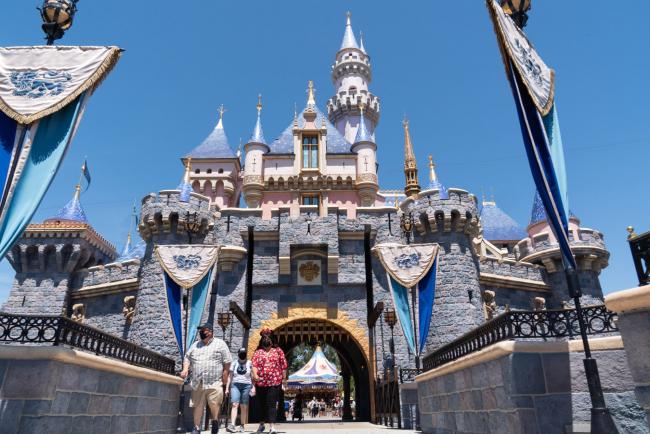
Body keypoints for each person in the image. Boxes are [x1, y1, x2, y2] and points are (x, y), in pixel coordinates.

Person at [180, 322, 232, 434]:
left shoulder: (220, 344)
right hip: (197, 382)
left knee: (214, 404)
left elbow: (227, 363)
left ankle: (215, 422)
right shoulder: (195, 345)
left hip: (214, 381)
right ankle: (196, 428)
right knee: (197, 405)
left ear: (210, 331)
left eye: (203, 330)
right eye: (200, 331)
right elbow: (187, 358)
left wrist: (224, 379)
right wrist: (185, 369)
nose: (201, 332)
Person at [252, 327, 287, 434]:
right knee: (262, 404)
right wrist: (255, 375)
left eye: (268, 337)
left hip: (274, 381)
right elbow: (254, 365)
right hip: (261, 382)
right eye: (264, 337)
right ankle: (262, 424)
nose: (266, 339)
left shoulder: (278, 351)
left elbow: (283, 365)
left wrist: (284, 380)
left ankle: (272, 426)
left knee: (272, 403)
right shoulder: (258, 352)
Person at [225, 347, 253, 433]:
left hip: (246, 385)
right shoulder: (234, 363)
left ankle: (242, 425)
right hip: (235, 384)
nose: (242, 354)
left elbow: (252, 375)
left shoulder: (249, 363)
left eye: (244, 353)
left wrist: (253, 386)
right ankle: (232, 425)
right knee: (234, 404)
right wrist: (227, 388)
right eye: (241, 353)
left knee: (243, 406)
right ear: (238, 354)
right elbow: (230, 376)